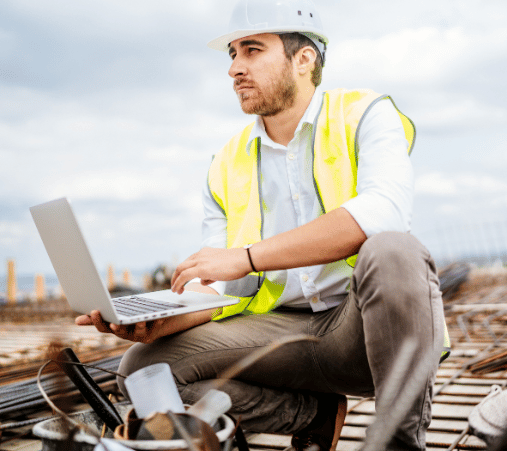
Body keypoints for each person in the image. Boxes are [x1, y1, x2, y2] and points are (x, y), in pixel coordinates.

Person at [76, 0, 449, 449]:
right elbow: (216, 286)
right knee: (140, 368)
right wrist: (157, 321)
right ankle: (312, 416)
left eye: (252, 50)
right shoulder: (226, 163)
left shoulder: (365, 114)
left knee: (393, 250)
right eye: (232, 54)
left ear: (304, 58)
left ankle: (400, 443)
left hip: (365, 336)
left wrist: (248, 258)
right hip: (281, 336)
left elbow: (384, 213)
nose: (235, 68)